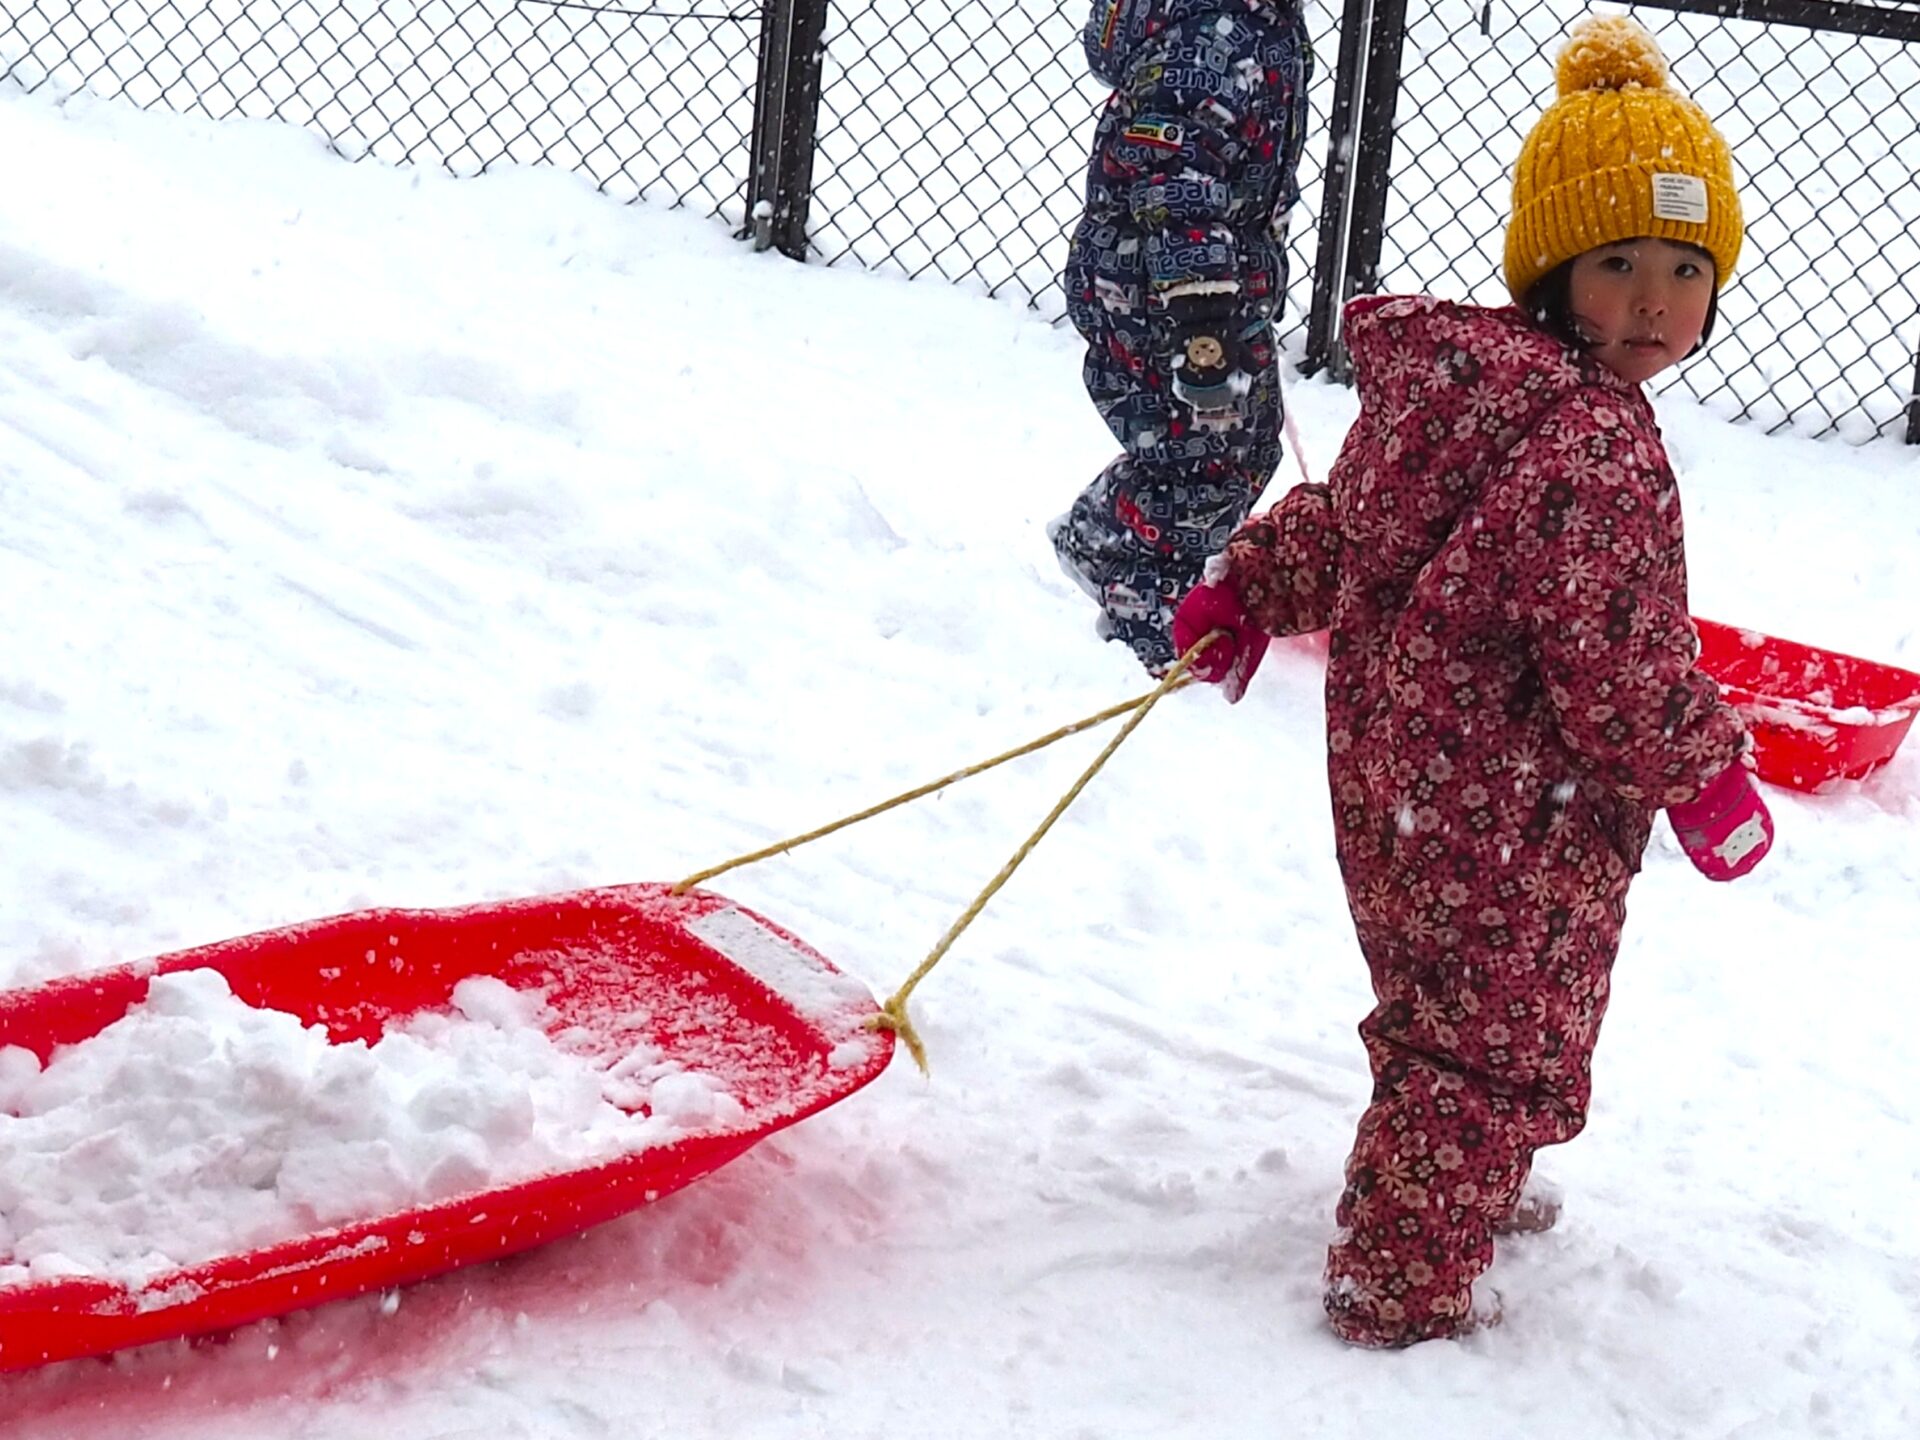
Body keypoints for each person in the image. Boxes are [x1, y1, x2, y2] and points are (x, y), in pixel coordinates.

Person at [1168, 15, 1776, 1347]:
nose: (1656, 303)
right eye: (1620, 265)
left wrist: (1250, 588)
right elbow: (1619, 658)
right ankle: (1401, 1279)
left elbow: (1348, 522)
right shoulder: (1596, 443)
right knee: (1488, 1037)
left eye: (1687, 270)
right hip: (1521, 812)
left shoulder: (1458, 388)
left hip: (1401, 792)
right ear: (1555, 270)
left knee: (1451, 1006)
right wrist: (1705, 773)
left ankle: (1462, 1186)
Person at [1048, 0, 1314, 675]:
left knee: (1246, 444)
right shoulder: (1206, 43)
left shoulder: (1261, 26)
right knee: (1200, 458)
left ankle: (1120, 539)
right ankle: (1138, 596)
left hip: (1217, 286)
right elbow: (1172, 181)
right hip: (1157, 294)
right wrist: (1201, 311)